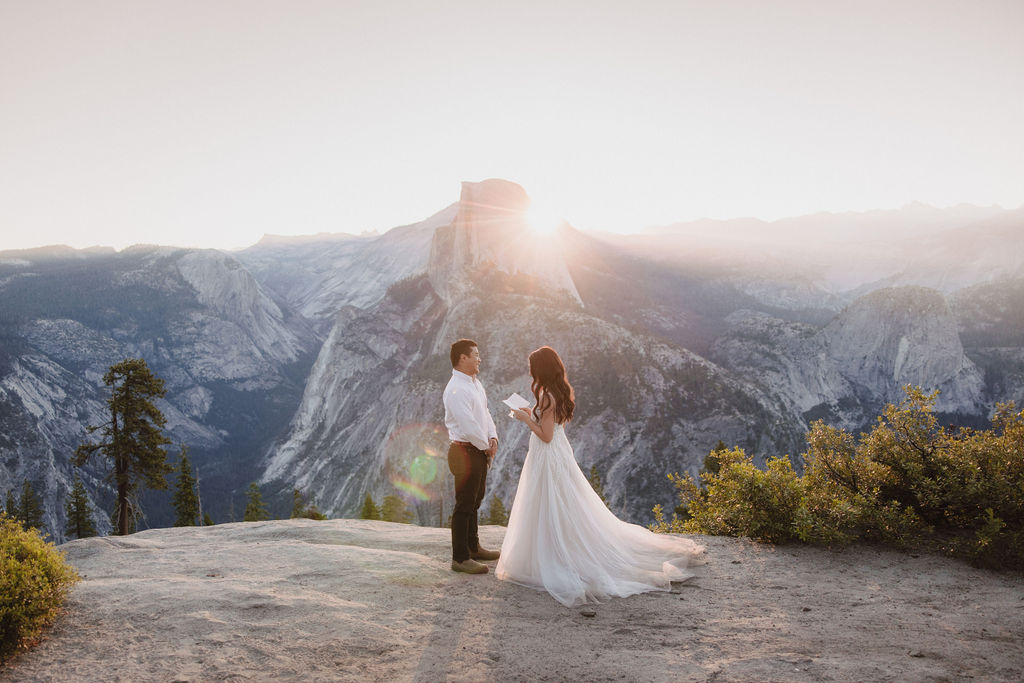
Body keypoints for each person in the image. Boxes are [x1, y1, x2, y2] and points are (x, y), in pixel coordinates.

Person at [495, 346, 704, 607]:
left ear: (540, 369)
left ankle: (552, 554)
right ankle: (557, 547)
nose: (530, 372)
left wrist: (525, 418)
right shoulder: (561, 390)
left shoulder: (548, 395)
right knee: (562, 504)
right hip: (558, 452)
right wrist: (531, 414)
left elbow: (545, 436)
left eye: (532, 368)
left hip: (547, 455)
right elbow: (554, 430)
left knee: (548, 502)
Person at [443, 339, 501, 574]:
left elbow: (485, 413)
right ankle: (460, 557)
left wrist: (493, 437)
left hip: (477, 449)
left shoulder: (475, 384)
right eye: (475, 354)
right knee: (464, 504)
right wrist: (486, 445)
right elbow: (467, 425)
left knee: (475, 501)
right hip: (464, 451)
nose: (479, 358)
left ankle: (473, 546)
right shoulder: (456, 389)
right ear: (462, 358)